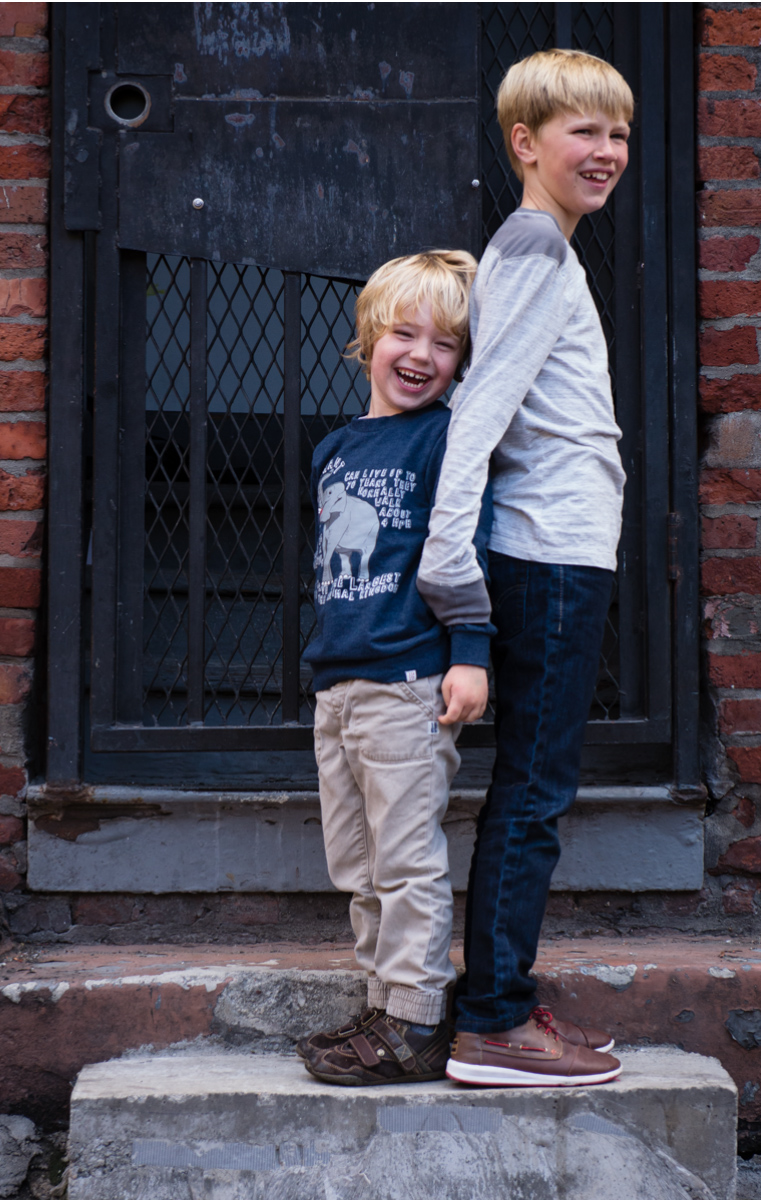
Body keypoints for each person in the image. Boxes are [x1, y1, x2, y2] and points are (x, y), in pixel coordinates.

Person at [417, 47, 633, 1088]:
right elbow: (478, 419)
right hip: (547, 556)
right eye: (584, 132)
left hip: (561, 550)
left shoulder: (542, 248)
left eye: (619, 133)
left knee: (533, 787)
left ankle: (501, 1005)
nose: (607, 152)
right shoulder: (537, 251)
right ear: (525, 143)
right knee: (535, 792)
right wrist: (452, 572)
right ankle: (495, 1022)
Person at [295, 250, 495, 1085]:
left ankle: (416, 1020)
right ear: (368, 338)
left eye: (445, 345)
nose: (420, 356)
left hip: (409, 678)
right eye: (403, 334)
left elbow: (465, 549)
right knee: (357, 862)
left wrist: (470, 655)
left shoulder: (448, 438)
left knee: (407, 856)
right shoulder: (335, 449)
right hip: (338, 683)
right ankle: (384, 1004)